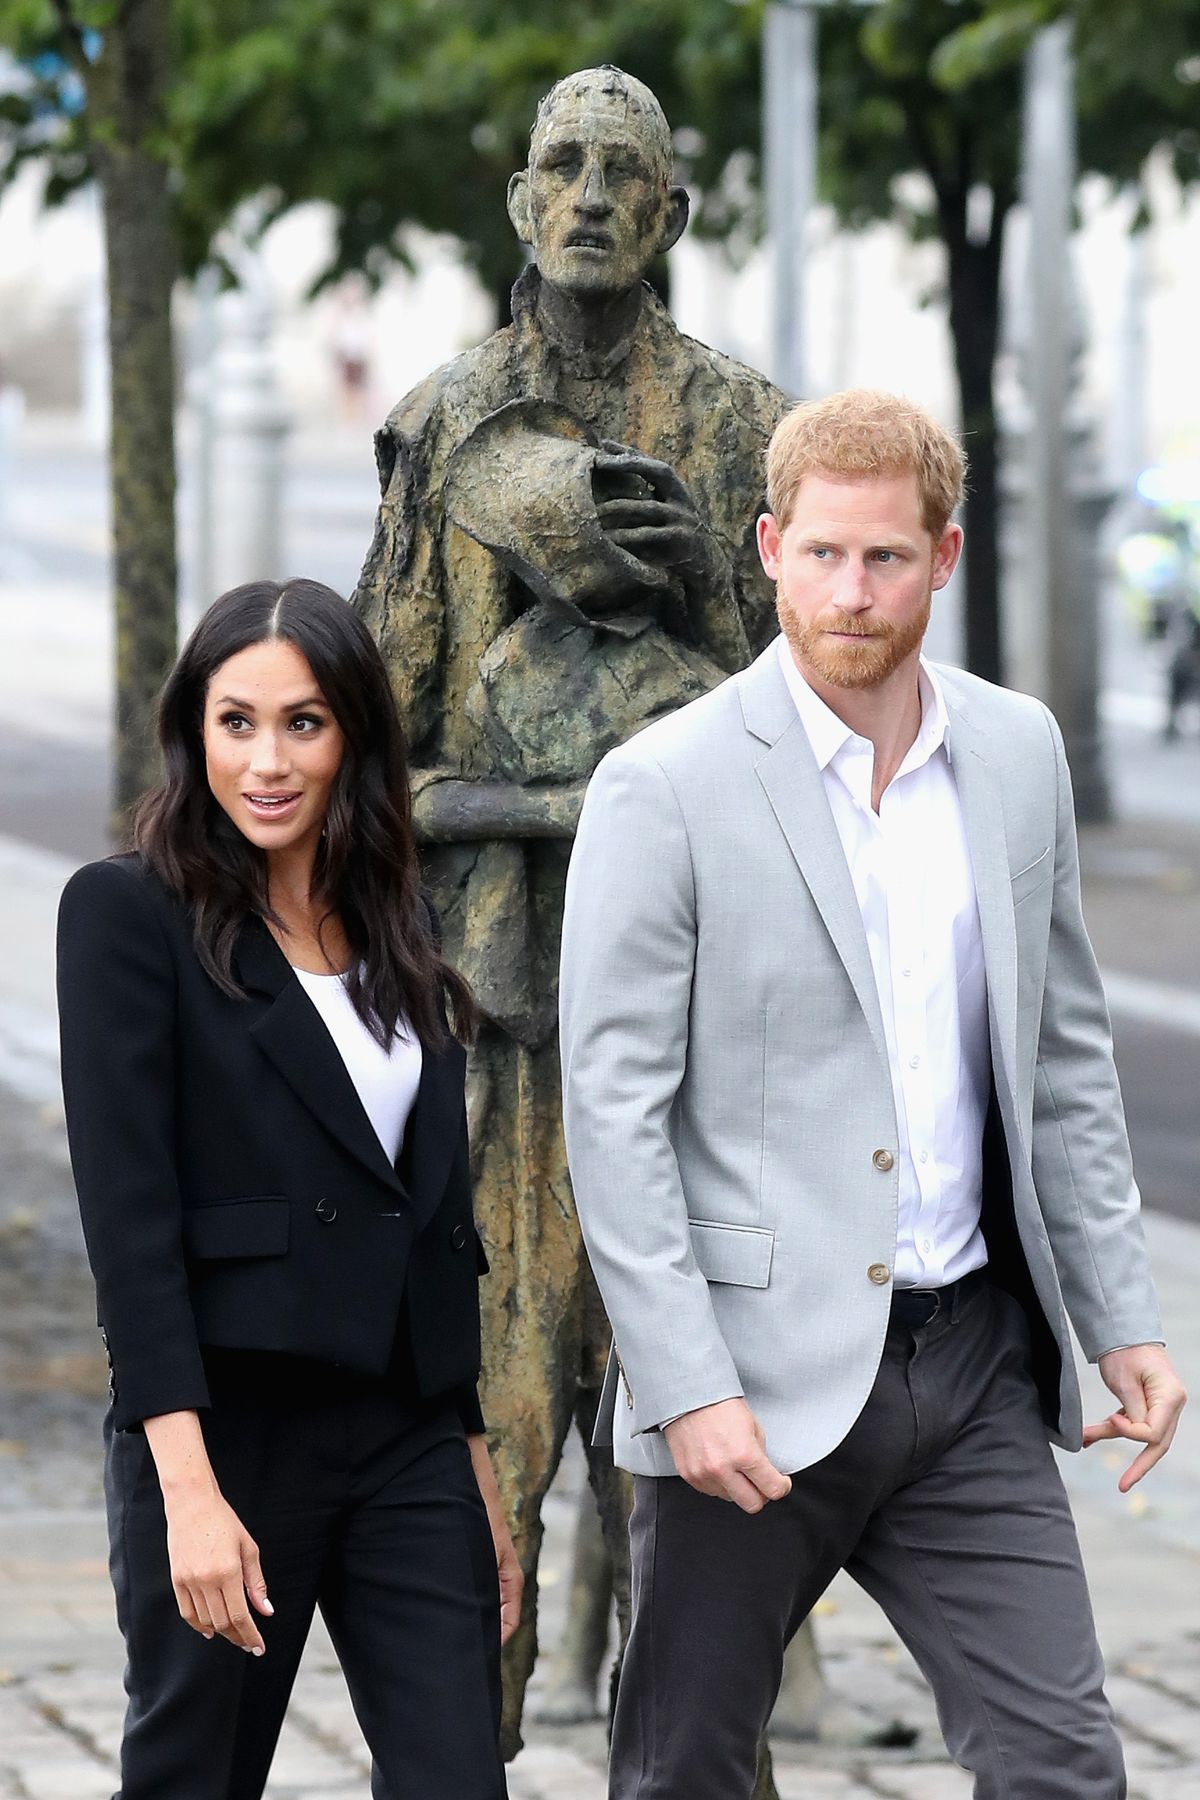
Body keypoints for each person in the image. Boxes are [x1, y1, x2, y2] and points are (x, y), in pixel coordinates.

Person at [559, 390, 1188, 1800]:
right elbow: (613, 1116)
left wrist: (1120, 1315)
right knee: (686, 1775)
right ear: (770, 547)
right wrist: (685, 1384)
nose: (853, 593)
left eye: (886, 559)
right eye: (825, 555)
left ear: (944, 559)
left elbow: (1061, 1054)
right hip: (748, 1382)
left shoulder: (1016, 757)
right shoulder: (664, 786)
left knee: (1065, 1765)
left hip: (969, 1364)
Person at [354, 63, 787, 1731]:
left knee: (697, 1477)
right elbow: (375, 747)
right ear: (524, 202)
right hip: (498, 1021)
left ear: (669, 213)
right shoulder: (453, 418)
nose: (592, 193)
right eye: (562, 165)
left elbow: (797, 730)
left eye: (625, 171)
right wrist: (563, 801)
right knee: (488, 1446)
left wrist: (696, 587)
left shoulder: (745, 424)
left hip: (701, 1032)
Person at [56, 578, 519, 1800]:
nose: (268, 760)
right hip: (225, 1428)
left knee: (461, 1777)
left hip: (404, 1432)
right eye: (237, 722)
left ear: (353, 734)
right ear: (193, 731)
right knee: (196, 1779)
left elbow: (432, 1210)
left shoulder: (398, 919)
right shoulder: (125, 915)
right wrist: (187, 1492)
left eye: (304, 723)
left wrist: (467, 1445)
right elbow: (130, 1223)